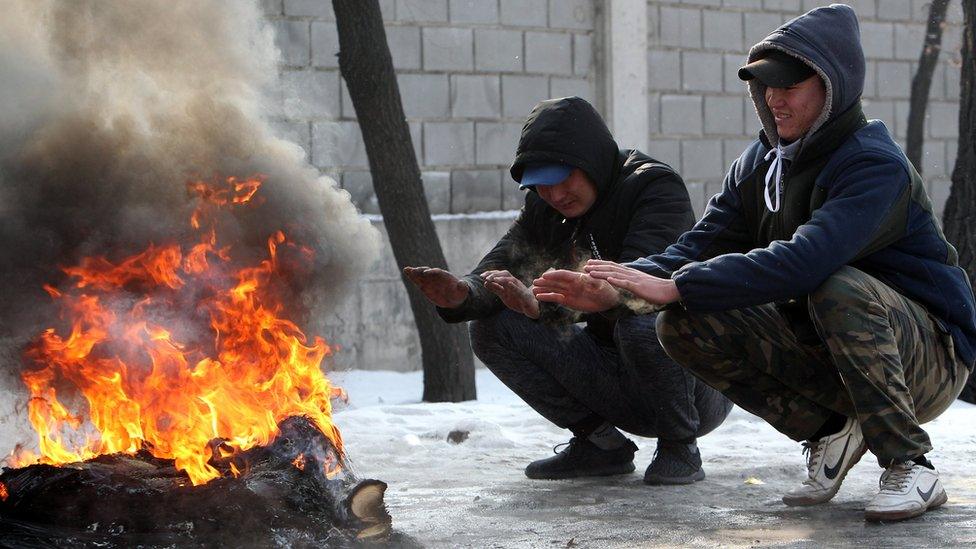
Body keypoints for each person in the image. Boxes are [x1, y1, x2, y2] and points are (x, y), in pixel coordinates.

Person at [533, 5, 975, 522]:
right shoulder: (759, 163)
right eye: (765, 85)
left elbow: (806, 260)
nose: (773, 98)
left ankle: (910, 464)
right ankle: (828, 432)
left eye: (789, 85)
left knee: (837, 286)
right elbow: (698, 245)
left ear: (833, 85)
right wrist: (622, 289)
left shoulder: (872, 164)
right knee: (680, 324)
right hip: (836, 346)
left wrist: (677, 285)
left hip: (931, 356)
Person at [404, 96, 732, 485]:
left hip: (692, 381)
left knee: (641, 320)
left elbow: (647, 286)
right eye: (543, 186)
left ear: (591, 161)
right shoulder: (546, 208)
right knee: (491, 327)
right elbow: (505, 262)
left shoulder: (653, 186)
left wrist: (546, 309)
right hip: (615, 376)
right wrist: (464, 294)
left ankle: (681, 447)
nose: (555, 195)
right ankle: (601, 445)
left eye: (563, 179)